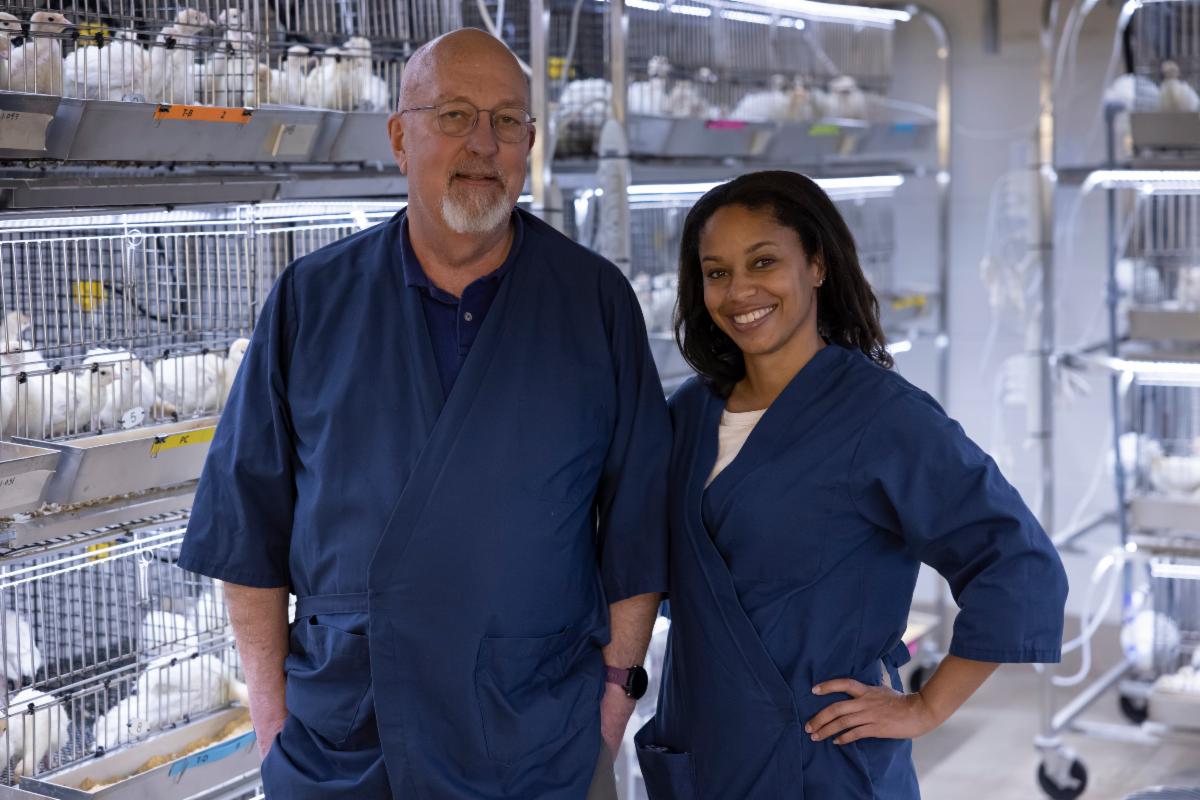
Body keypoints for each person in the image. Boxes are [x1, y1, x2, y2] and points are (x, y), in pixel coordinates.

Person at [178, 28, 670, 799]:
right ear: (400, 139)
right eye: (454, 115)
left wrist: (614, 704)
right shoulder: (314, 300)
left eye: (509, 121)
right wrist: (272, 726)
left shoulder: (593, 301)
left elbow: (639, 529)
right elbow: (248, 531)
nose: (484, 144)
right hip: (350, 735)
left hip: (537, 737)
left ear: (530, 143)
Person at [634, 170, 1068, 799]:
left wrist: (925, 707)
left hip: (821, 761)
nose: (739, 291)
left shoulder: (883, 417)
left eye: (764, 261)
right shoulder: (689, 413)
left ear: (817, 265)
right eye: (716, 271)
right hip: (701, 749)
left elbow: (1020, 565)